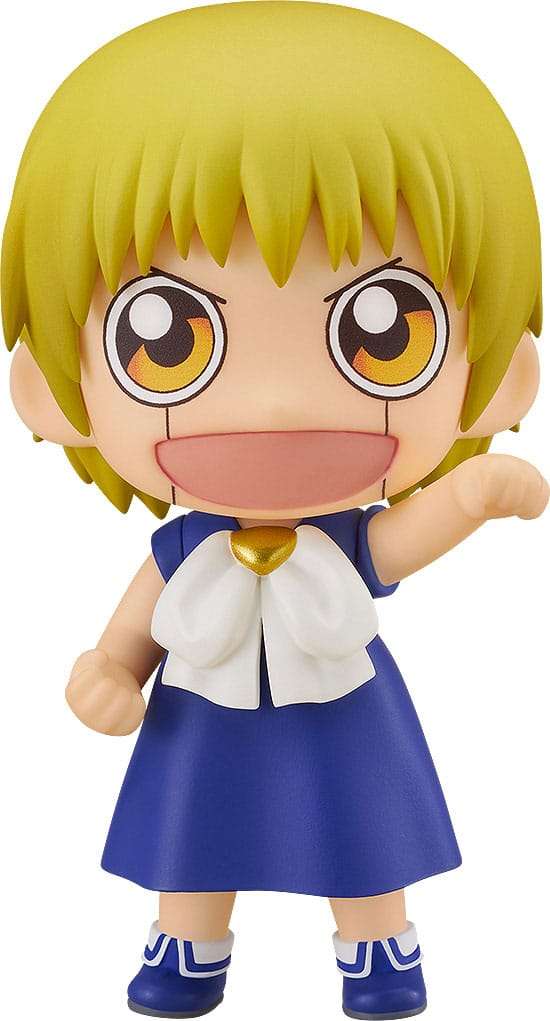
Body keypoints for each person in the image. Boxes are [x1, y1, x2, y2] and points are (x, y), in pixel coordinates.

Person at [3, 4, 547, 1018]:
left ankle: (377, 945)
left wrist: (469, 495)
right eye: (165, 340)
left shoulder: (343, 543)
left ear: (500, 377)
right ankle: (188, 941)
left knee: (361, 828)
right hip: (199, 717)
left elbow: (398, 541)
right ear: (49, 394)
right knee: (191, 831)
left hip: (342, 709)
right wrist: (109, 669)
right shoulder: (182, 548)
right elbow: (129, 634)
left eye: (385, 331)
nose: (279, 404)